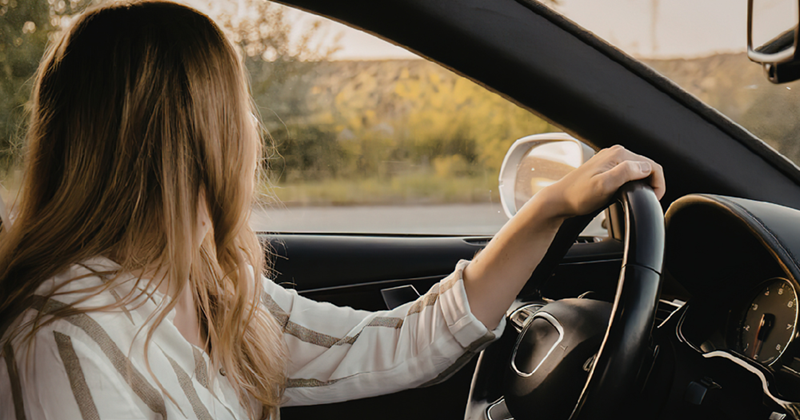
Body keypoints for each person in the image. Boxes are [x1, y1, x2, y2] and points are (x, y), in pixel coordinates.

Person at [0, 1, 665, 419]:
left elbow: (398, 346)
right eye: (239, 112)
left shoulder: (211, 286)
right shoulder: (60, 339)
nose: (251, 135)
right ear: (199, 138)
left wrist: (547, 208)